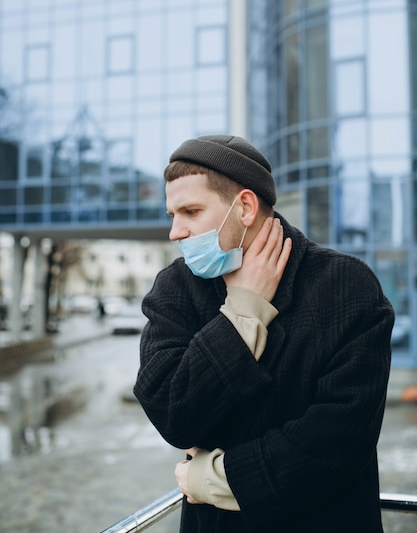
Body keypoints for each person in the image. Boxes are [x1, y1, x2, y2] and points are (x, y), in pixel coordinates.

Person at [133, 134, 394, 533]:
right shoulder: (175, 289)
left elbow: (339, 439)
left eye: (190, 211)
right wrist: (243, 310)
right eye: (172, 215)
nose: (176, 232)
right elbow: (172, 412)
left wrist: (216, 478)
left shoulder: (347, 284)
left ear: (246, 207)